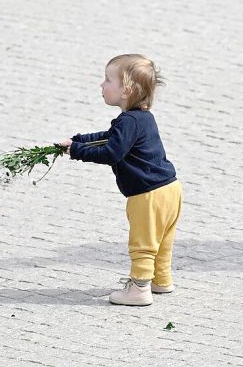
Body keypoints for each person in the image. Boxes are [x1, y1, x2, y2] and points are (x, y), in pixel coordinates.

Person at [59, 54, 182, 306]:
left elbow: (111, 152)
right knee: (162, 241)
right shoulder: (142, 117)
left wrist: (76, 151)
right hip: (170, 188)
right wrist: (78, 140)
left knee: (143, 243)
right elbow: (110, 136)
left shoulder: (128, 121)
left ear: (126, 91)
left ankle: (139, 289)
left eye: (107, 80)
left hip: (147, 195)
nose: (101, 84)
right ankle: (161, 280)